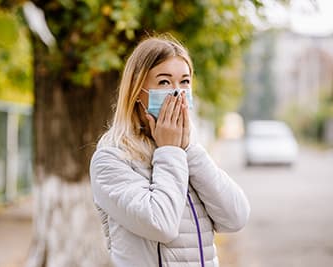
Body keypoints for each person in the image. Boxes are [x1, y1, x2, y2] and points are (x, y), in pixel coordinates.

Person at [90, 35, 250, 267]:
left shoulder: (186, 152)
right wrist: (169, 151)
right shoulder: (111, 160)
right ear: (136, 92)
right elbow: (161, 224)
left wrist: (189, 150)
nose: (177, 92)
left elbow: (235, 217)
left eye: (184, 82)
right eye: (164, 82)